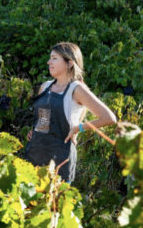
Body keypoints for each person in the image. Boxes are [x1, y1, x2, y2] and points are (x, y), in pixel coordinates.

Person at [25, 42, 117, 184]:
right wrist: (35, 131)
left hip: (59, 164)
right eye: (50, 58)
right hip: (33, 159)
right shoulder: (45, 87)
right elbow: (44, 122)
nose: (49, 62)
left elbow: (109, 118)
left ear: (70, 63)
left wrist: (78, 128)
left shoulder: (76, 89)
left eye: (54, 58)